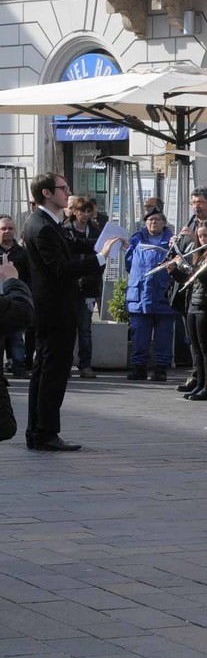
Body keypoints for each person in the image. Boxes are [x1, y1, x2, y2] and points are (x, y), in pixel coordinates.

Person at [22, 174, 114, 451]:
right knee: (53, 373)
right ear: (47, 193)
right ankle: (45, 433)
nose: (68, 193)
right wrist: (99, 258)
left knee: (44, 371)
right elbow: (60, 267)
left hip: (52, 309)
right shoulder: (43, 226)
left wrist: (96, 247)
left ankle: (38, 431)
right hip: (55, 310)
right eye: (63, 189)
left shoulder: (47, 223)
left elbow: (68, 248)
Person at [168, 219, 207, 402]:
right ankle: (200, 384)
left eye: (206, 236)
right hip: (193, 303)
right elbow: (190, 279)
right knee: (196, 348)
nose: (202, 239)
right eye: (200, 236)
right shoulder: (200, 254)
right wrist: (174, 271)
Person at [174, 187, 207, 395]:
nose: (196, 206)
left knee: (206, 343)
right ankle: (198, 377)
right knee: (195, 342)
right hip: (192, 291)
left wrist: (193, 239)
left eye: (200, 202)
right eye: (193, 202)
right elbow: (189, 256)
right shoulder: (191, 222)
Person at [125, 208, 175, 382]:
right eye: (150, 220)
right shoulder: (136, 240)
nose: (153, 222)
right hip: (139, 295)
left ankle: (161, 369)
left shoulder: (172, 242)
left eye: (156, 219)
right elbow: (129, 264)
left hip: (163, 296)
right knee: (139, 335)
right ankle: (138, 368)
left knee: (163, 336)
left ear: (164, 223)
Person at [63, 195, 102, 379]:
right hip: (69, 285)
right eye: (81, 211)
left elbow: (100, 259)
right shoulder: (66, 230)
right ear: (74, 212)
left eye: (88, 211)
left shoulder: (94, 230)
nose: (85, 215)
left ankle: (85, 365)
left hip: (88, 285)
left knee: (85, 328)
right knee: (67, 326)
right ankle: (66, 363)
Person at [0, 215, 31, 378]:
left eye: (10, 228)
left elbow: (28, 276)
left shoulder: (21, 253)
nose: (7, 232)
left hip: (14, 299)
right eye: (3, 229)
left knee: (17, 336)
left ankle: (19, 367)